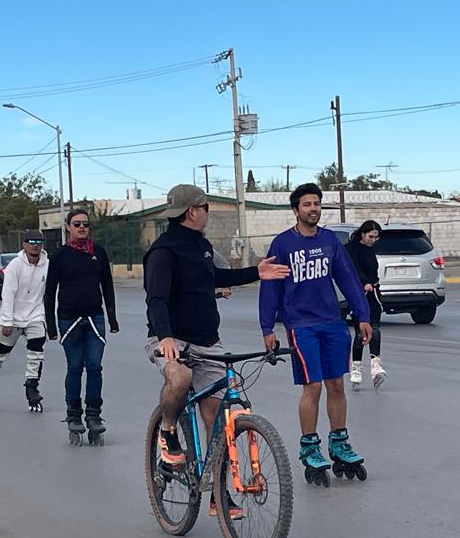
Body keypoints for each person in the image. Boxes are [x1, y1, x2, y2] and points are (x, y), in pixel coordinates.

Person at [144, 184, 289, 516]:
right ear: (193, 211)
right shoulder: (163, 251)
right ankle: (167, 433)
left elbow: (216, 277)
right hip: (172, 339)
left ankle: (217, 493)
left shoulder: (201, 246)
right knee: (179, 378)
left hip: (208, 340)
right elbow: (156, 299)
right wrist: (165, 337)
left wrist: (257, 273)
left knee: (219, 411)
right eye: (207, 206)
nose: (208, 212)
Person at [259, 183, 372, 484]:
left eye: (317, 204)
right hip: (301, 325)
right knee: (314, 387)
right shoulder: (282, 245)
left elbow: (347, 279)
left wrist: (363, 315)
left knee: (337, 385)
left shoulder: (329, 241)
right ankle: (310, 446)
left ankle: (339, 443)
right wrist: (267, 327)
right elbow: (271, 287)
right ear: (295, 210)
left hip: (331, 323)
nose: (313, 209)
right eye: (307, 204)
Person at [45, 209, 118, 443]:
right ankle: (73, 415)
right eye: (76, 224)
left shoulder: (99, 253)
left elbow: (107, 285)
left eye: (85, 224)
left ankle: (94, 415)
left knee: (95, 367)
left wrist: (112, 317)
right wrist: (51, 325)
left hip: (95, 318)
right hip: (69, 319)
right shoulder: (60, 256)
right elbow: (49, 292)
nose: (82, 227)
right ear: (68, 226)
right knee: (75, 367)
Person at [0, 231, 48, 412]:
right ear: (24, 244)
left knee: (36, 354)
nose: (35, 245)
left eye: (39, 242)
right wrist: (7, 321)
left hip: (35, 316)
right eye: (31, 242)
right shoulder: (15, 265)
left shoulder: (47, 265)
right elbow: (8, 293)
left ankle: (32, 390)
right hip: (12, 318)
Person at [344, 220, 385, 390]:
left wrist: (372, 284)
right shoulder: (351, 249)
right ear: (362, 233)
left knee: (374, 330)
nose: (373, 240)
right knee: (361, 333)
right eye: (371, 236)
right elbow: (352, 269)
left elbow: (372, 271)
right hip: (358, 294)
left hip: (373, 294)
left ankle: (376, 368)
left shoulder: (371, 250)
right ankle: (356, 371)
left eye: (376, 237)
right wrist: (363, 283)